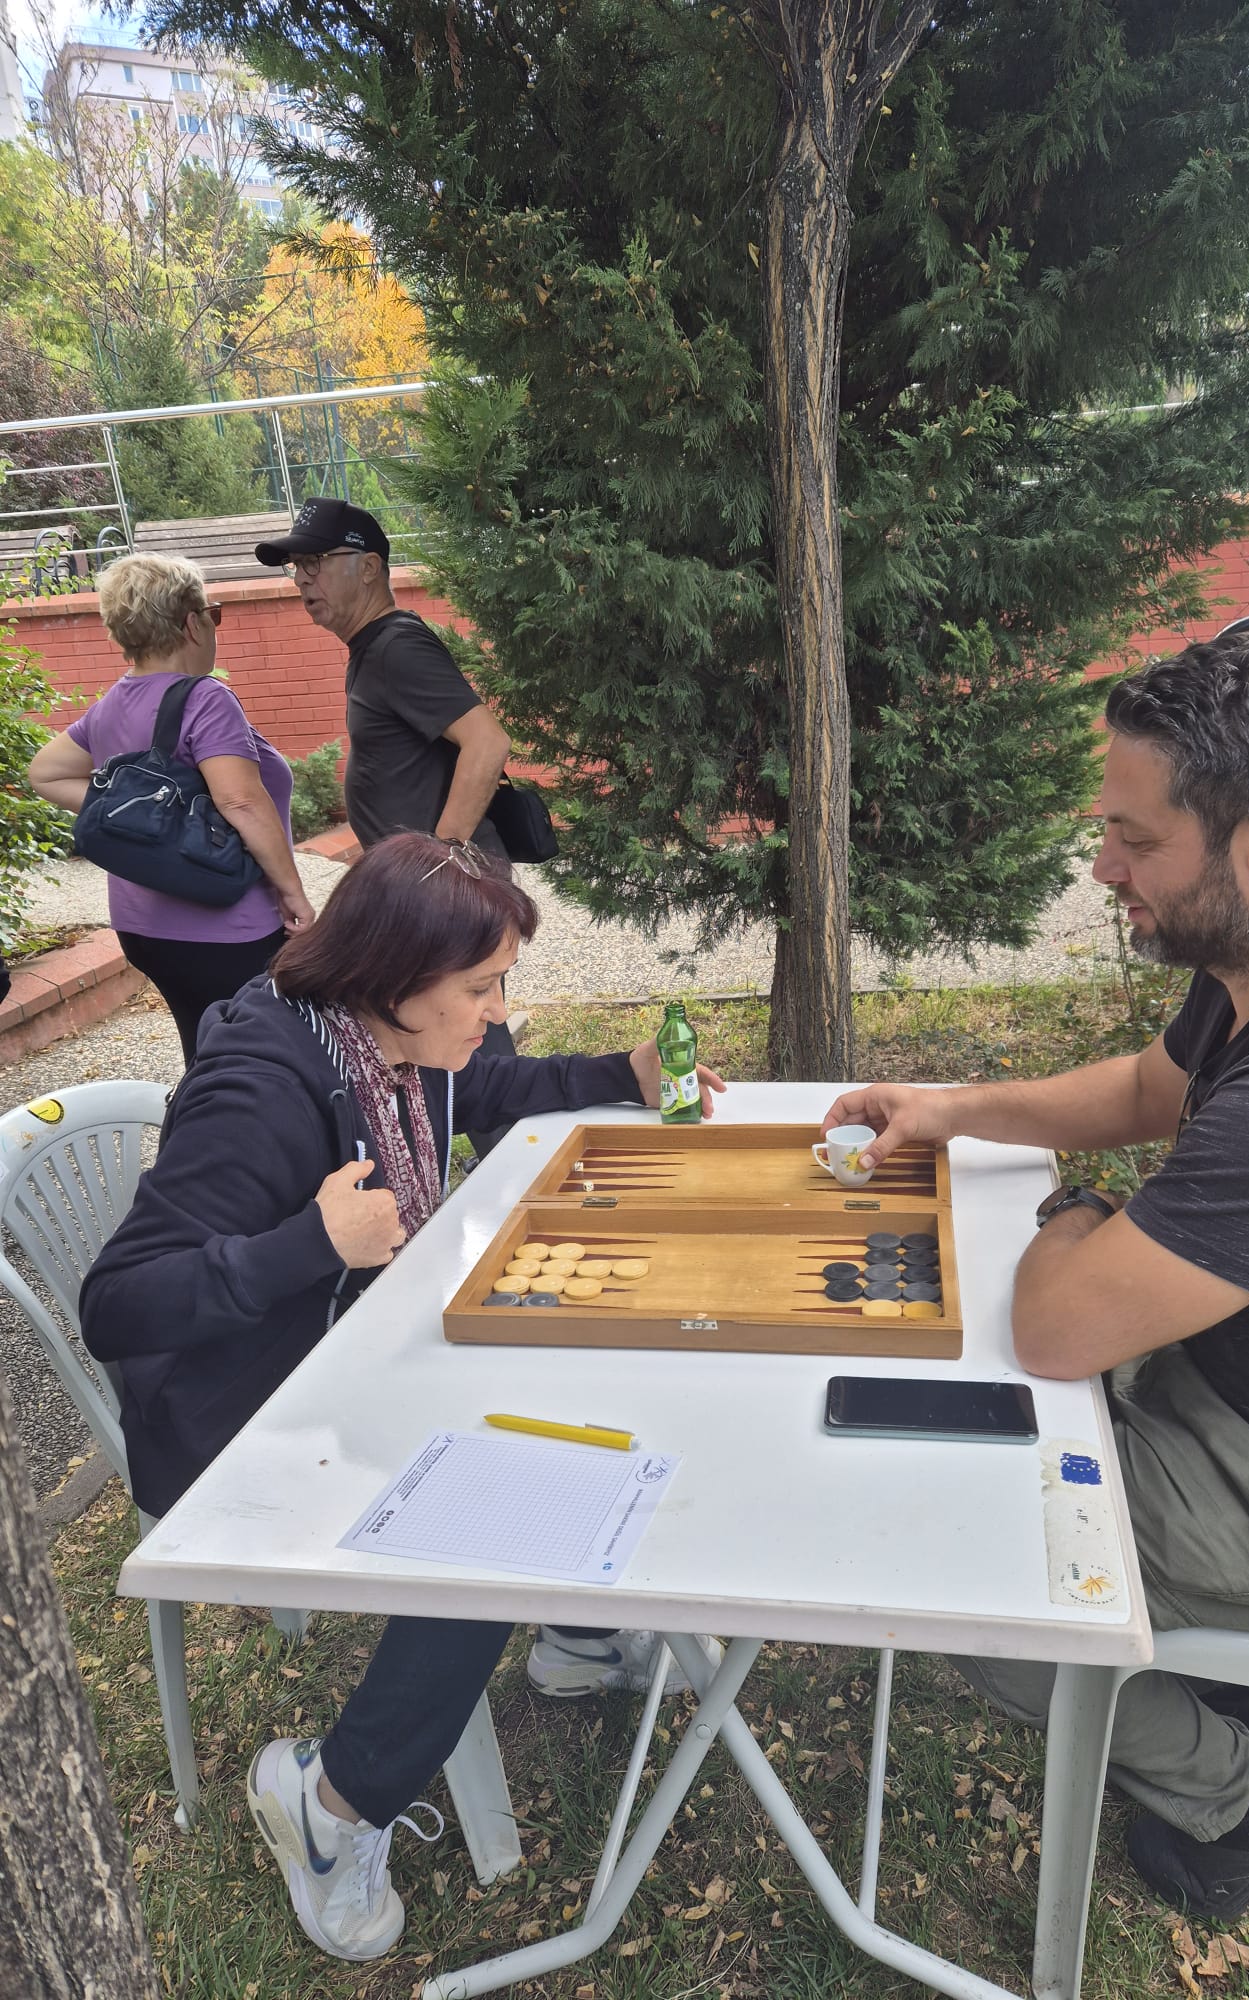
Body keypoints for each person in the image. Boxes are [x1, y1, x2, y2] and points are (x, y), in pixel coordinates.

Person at [823, 617, 1249, 1925]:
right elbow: (1151, 1088)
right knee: (954, 1430)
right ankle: (1223, 1691)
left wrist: (1073, 1209)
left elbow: (1057, 1328)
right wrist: (950, 1111)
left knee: (953, 1553)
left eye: (1135, 839)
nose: (1102, 866)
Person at [79, 831, 726, 1961]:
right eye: (480, 988)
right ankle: (331, 1803)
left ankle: (577, 1635)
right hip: (237, 1416)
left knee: (575, 1365)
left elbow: (486, 1084)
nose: (496, 1011)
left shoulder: (379, 1035)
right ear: (393, 976)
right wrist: (308, 1243)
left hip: (349, 1352)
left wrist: (621, 1074)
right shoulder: (261, 1090)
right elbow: (118, 1304)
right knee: (496, 1507)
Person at [253, 497, 519, 1154]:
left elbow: (487, 742)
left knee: (469, 1033)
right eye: (295, 567)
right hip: (425, 891)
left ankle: (513, 1172)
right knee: (435, 1032)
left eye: (316, 562)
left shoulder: (396, 645)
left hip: (440, 894)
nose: (302, 578)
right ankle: (477, 1164)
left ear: (369, 567)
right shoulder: (372, 648)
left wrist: (440, 862)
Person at [27, 553, 314, 1065]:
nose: (215, 625)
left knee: (205, 1056)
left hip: (144, 929)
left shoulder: (112, 704)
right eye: (213, 614)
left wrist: (132, 813)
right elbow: (241, 800)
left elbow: (45, 772)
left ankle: (198, 1116)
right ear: (191, 623)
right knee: (261, 1064)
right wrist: (293, 893)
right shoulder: (206, 699)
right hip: (229, 930)